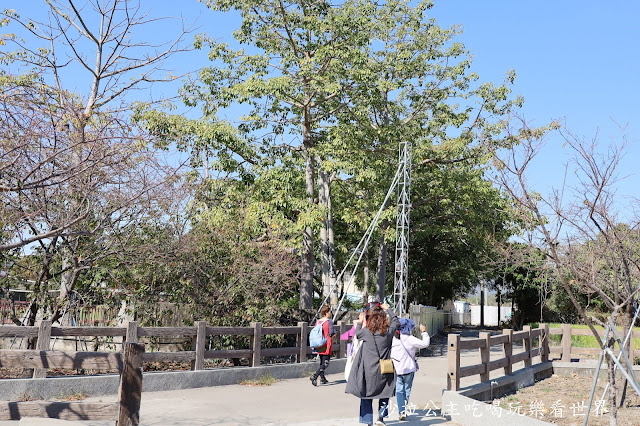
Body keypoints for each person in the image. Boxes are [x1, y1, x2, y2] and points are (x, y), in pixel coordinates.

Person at [346, 302, 400, 426]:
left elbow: (356, 334)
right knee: (385, 392)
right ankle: (380, 417)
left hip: (368, 369)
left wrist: (360, 321)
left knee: (366, 394)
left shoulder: (365, 332)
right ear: (384, 319)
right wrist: (389, 310)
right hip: (384, 368)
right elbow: (396, 322)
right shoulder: (387, 332)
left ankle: (368, 420)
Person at [391, 318, 430, 420]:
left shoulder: (393, 338)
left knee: (399, 390)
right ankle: (403, 409)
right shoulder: (410, 339)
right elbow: (425, 344)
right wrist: (424, 332)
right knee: (407, 390)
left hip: (397, 368)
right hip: (409, 368)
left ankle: (401, 411)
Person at [310, 304, 335, 386]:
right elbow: (331, 333)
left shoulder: (318, 321)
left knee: (322, 361)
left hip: (319, 343)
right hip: (326, 343)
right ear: (327, 312)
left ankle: (322, 378)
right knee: (325, 363)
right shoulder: (329, 321)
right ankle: (315, 376)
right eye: (330, 311)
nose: (331, 313)